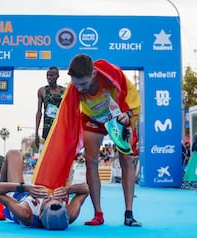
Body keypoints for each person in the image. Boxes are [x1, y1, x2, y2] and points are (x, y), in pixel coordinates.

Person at [67, 54, 142, 227]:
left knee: (126, 159)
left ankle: (129, 214)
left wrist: (128, 114)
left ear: (94, 73)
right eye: (76, 85)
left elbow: (133, 100)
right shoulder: (75, 88)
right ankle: (98, 214)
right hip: (92, 119)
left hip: (118, 117)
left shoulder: (113, 75)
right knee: (90, 161)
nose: (79, 89)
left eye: (83, 84)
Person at [0, 149, 89, 230]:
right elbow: (86, 189)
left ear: (40, 214)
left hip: (18, 198)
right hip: (31, 193)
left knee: (13, 154)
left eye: (47, 200)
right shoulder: (69, 214)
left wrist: (25, 188)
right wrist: (68, 190)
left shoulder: (26, 214)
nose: (50, 196)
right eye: (57, 199)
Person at [35, 67, 65, 148]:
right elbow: (39, 112)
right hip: (48, 127)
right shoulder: (42, 91)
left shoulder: (64, 91)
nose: (49, 77)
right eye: (47, 75)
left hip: (61, 127)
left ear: (57, 76)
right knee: (49, 150)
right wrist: (36, 132)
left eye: (51, 75)